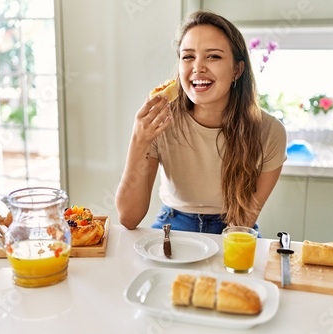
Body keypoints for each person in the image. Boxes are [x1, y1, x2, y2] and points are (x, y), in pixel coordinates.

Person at [115, 11, 287, 234]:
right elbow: (129, 218)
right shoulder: (160, 122)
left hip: (234, 229)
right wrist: (139, 139)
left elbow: (242, 223)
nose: (198, 67)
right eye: (188, 57)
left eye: (213, 56)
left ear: (237, 69)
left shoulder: (269, 131)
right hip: (172, 223)